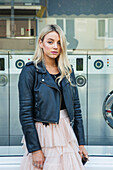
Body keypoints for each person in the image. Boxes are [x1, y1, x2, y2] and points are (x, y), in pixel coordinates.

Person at [18, 24, 88, 170]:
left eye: (59, 43)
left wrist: (81, 143)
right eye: (50, 42)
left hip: (66, 133)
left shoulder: (67, 70)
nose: (55, 46)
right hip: (43, 133)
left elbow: (76, 109)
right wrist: (35, 149)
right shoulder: (30, 71)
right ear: (41, 43)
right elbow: (25, 114)